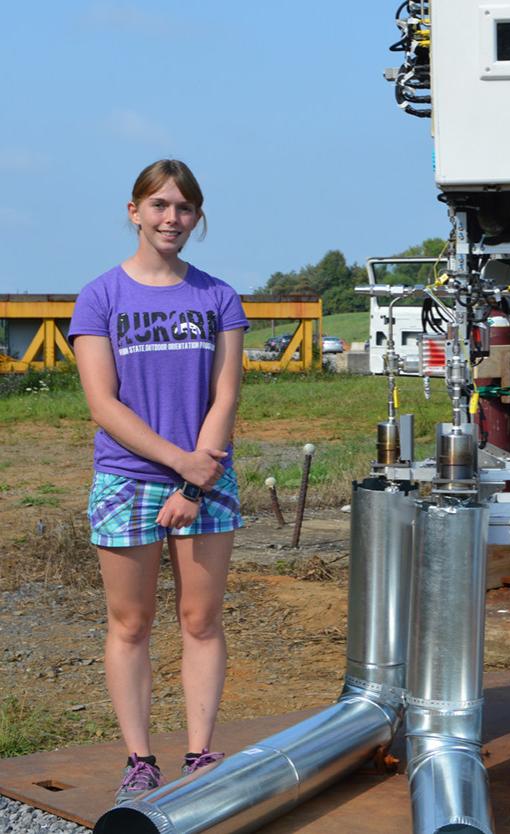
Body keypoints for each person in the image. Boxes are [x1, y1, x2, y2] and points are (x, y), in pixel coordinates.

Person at [70, 159, 249, 804]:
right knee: (131, 623)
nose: (172, 218)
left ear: (197, 217)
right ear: (135, 211)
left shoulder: (218, 297)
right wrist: (180, 464)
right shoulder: (100, 297)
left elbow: (225, 396)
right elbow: (103, 403)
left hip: (208, 476)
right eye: (160, 205)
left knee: (201, 620)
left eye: (184, 208)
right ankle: (140, 760)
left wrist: (197, 480)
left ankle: (200, 754)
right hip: (128, 480)